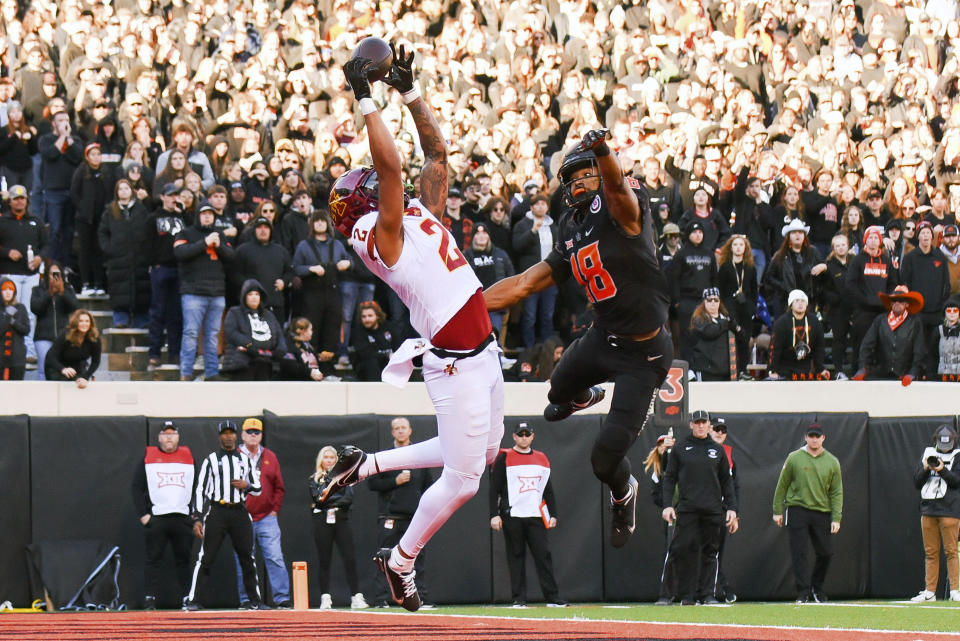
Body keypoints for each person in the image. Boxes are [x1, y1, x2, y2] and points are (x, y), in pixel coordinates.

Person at [317, 47, 503, 612]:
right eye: (369, 184)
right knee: (466, 478)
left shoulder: (412, 215)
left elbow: (437, 154)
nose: (377, 182)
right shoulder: (381, 238)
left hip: (482, 351)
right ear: (362, 205)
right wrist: (366, 96)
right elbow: (394, 168)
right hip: (455, 361)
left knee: (485, 454)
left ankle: (365, 464)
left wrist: (411, 91)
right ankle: (399, 562)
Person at [485, 127, 674, 550]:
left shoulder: (624, 205)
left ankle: (625, 494)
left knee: (603, 459)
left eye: (579, 177)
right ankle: (583, 395)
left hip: (644, 353)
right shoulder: (572, 224)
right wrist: (471, 306)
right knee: (557, 392)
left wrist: (602, 150)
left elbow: (620, 190)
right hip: (605, 337)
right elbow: (528, 282)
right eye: (567, 181)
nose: (572, 187)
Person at [661, 411, 738, 606]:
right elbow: (669, 478)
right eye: (697, 422)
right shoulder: (680, 448)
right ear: (691, 424)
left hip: (713, 509)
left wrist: (732, 507)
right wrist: (668, 505)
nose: (701, 426)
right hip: (687, 508)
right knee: (682, 549)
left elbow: (727, 481)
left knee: (710, 552)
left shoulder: (717, 450)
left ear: (709, 425)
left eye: (704, 423)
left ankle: (707, 595)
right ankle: (685, 595)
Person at [184, 420, 264, 611]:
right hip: (217, 511)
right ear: (220, 436)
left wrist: (248, 486)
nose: (228, 436)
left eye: (231, 433)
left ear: (236, 436)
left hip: (239, 510)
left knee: (247, 557)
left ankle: (255, 601)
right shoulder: (211, 459)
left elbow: (258, 489)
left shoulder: (245, 459)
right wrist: (196, 517)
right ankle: (193, 600)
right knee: (206, 557)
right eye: (225, 433)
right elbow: (200, 490)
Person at [489, 422, 566, 608]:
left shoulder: (541, 458)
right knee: (516, 557)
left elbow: (547, 488)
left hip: (536, 515)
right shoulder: (505, 457)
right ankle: (519, 598)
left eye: (527, 434)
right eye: (520, 434)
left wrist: (553, 513)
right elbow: (494, 489)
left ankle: (553, 598)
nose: (523, 437)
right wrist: (494, 514)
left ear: (532, 436)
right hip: (513, 515)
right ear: (514, 437)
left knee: (543, 556)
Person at [365, 418, 437, 609]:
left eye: (403, 428)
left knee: (417, 559)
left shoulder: (421, 456)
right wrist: (394, 481)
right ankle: (381, 599)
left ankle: (420, 597)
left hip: (415, 517)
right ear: (392, 432)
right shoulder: (385, 456)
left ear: (410, 430)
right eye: (396, 428)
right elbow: (372, 484)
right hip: (390, 516)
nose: (400, 431)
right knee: (384, 558)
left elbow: (429, 487)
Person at [772, 423, 843, 604]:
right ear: (806, 437)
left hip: (822, 511)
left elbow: (836, 492)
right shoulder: (794, 458)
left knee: (826, 552)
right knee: (800, 553)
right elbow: (782, 484)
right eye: (811, 436)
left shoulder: (832, 461)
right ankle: (803, 593)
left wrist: (836, 517)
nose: (814, 439)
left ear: (823, 438)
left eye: (817, 436)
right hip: (798, 509)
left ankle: (816, 588)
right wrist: (777, 510)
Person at [131, 421, 195, 610]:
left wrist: (195, 515)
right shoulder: (149, 455)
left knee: (184, 560)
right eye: (165, 434)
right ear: (159, 437)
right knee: (153, 560)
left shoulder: (188, 456)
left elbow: (198, 485)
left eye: (172, 433)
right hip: (158, 517)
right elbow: (136, 486)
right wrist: (143, 514)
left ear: (178, 437)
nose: (168, 437)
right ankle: (149, 599)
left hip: (182, 517)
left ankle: (187, 598)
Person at [233, 418, 292, 609]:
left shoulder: (270, 456)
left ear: (261, 435)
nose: (252, 435)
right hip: (242, 517)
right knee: (244, 559)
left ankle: (282, 598)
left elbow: (279, 487)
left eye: (256, 432)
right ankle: (247, 599)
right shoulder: (234, 456)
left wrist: (275, 510)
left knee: (275, 557)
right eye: (249, 431)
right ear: (242, 435)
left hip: (267, 516)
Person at [173, 202, 235, 381]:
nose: (208, 217)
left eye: (211, 214)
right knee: (191, 333)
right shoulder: (186, 233)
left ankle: (212, 372)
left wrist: (219, 246)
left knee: (213, 335)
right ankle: (185, 373)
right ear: (197, 216)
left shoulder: (219, 235)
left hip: (217, 293)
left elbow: (232, 256)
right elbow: (180, 253)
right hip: (193, 292)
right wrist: (204, 243)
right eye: (204, 213)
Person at [309, 445, 369, 610]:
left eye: (332, 457)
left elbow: (348, 499)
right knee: (324, 559)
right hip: (322, 520)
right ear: (321, 460)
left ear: (336, 460)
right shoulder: (314, 479)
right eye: (326, 457)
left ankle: (356, 596)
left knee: (349, 558)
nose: (329, 460)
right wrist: (331, 498)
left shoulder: (344, 476)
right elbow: (318, 499)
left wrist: (330, 499)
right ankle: (325, 598)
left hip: (341, 519)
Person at [911, 425, 960, 603]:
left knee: (951, 551)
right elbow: (916, 481)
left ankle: (955, 590)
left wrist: (942, 469)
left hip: (949, 510)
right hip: (928, 509)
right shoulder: (928, 453)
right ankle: (929, 591)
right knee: (931, 552)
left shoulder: (958, 455)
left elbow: (956, 482)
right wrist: (925, 468)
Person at [0, 184, 46, 364]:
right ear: (9, 201)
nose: (19, 201)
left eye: (22, 198)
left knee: (29, 313)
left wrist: (40, 258)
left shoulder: (36, 220)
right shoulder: (3, 221)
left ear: (27, 200)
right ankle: (6, 346)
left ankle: (28, 350)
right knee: (9, 310)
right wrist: (7, 252)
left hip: (30, 273)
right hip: (9, 274)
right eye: (15, 198)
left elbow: (47, 244)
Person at [97, 178, 151, 328]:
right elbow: (102, 233)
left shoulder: (141, 209)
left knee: (142, 291)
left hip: (139, 258)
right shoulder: (110, 210)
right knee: (119, 290)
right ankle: (121, 320)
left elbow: (148, 232)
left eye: (126, 188)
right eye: (120, 189)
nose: (123, 192)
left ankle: (142, 320)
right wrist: (110, 249)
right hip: (118, 259)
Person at [144, 183, 186, 368]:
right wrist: (152, 263)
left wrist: (184, 212)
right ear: (162, 197)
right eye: (170, 195)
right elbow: (146, 242)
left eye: (176, 195)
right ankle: (154, 352)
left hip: (179, 269)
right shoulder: (153, 218)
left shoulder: (184, 218)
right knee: (157, 312)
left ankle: (174, 353)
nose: (173, 198)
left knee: (176, 314)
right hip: (161, 268)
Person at [512, 193, 558, 348]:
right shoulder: (522, 224)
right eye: (537, 204)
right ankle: (529, 348)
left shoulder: (553, 225)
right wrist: (532, 231)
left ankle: (547, 348)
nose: (540, 207)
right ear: (531, 207)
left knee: (548, 315)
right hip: (530, 277)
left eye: (543, 204)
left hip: (550, 278)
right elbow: (517, 246)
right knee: (530, 316)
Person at [854, 286, 926, 384]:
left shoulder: (915, 322)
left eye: (901, 300)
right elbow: (866, 345)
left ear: (907, 304)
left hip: (905, 375)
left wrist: (912, 373)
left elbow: (919, 350)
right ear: (890, 303)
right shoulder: (880, 320)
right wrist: (862, 367)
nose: (897, 303)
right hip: (881, 374)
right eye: (894, 300)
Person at [38, 109, 84, 262]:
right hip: (53, 191)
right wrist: (63, 136)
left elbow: (78, 156)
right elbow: (51, 154)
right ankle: (52, 263)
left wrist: (68, 139)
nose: (64, 123)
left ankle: (65, 264)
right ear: (53, 123)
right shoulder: (46, 139)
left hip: (71, 191)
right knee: (55, 229)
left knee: (69, 230)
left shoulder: (75, 140)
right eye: (60, 120)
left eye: (66, 120)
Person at [221, 279, 288, 381]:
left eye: (257, 294)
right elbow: (231, 333)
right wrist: (248, 345)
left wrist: (281, 348)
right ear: (244, 297)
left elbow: (279, 335)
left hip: (266, 362)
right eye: (250, 294)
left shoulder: (269, 315)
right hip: (242, 362)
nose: (254, 297)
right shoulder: (235, 312)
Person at [708, 418, 739, 604]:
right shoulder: (695, 448)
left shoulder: (728, 453)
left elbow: (735, 486)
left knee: (715, 553)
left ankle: (715, 590)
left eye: (723, 430)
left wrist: (734, 511)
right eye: (716, 429)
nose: (719, 433)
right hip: (697, 508)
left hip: (719, 510)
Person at [645, 431, 678, 606]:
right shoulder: (658, 471)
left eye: (668, 443)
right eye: (662, 444)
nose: (665, 447)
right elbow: (656, 495)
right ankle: (666, 593)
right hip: (671, 517)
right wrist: (667, 506)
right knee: (671, 553)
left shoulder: (680, 464)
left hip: (686, 512)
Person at [30, 260, 78, 380]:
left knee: (64, 368)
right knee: (43, 369)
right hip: (43, 336)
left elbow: (74, 307)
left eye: (57, 273)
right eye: (52, 273)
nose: (54, 276)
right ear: (47, 275)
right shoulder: (38, 289)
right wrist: (49, 293)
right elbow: (36, 308)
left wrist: (62, 291)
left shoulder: (67, 289)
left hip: (63, 336)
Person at [769, 289, 829, 381]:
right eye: (796, 301)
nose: (800, 304)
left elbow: (819, 348)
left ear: (807, 304)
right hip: (784, 369)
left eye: (803, 301)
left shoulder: (815, 322)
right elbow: (774, 348)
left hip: (805, 368)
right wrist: (772, 370)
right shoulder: (781, 323)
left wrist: (820, 369)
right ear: (791, 305)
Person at [689, 287, 737, 381]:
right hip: (706, 370)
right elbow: (710, 332)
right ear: (704, 302)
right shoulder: (698, 319)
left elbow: (741, 335)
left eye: (716, 300)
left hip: (726, 371)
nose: (713, 303)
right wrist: (725, 323)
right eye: (709, 300)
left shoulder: (726, 318)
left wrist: (734, 325)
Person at [44, 308, 100, 387]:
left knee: (81, 384)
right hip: (57, 367)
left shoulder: (94, 338)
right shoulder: (65, 334)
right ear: (76, 322)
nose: (84, 324)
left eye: (87, 321)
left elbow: (95, 362)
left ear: (91, 323)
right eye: (81, 321)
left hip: (77, 367)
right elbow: (51, 356)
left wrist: (86, 377)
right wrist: (63, 369)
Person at [349, 300, 394, 382]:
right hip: (367, 369)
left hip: (387, 366)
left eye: (370, 316)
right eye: (364, 316)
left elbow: (399, 345)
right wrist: (387, 355)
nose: (367, 319)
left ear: (377, 316)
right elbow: (366, 354)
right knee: (371, 362)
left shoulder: (388, 328)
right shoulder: (358, 332)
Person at [0, 279, 29, 379]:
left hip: (17, 359)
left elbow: (26, 330)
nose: (8, 292)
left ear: (14, 292)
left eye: (11, 289)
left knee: (16, 391)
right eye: (4, 289)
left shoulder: (21, 308)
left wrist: (13, 322)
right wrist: (7, 317)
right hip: (1, 358)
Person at [929, 298, 960, 379]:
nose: (952, 313)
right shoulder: (938, 331)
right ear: (945, 313)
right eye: (949, 311)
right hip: (942, 373)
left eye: (955, 310)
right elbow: (933, 354)